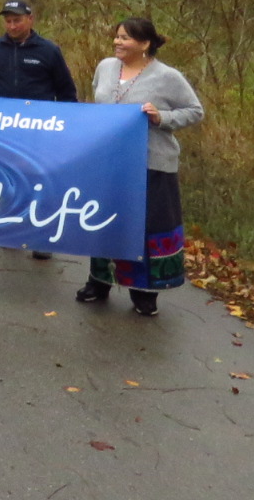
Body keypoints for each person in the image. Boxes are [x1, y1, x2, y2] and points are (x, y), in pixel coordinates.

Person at [78, 18, 203, 317]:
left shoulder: (167, 76)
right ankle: (99, 281)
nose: (118, 42)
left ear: (145, 44)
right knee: (105, 223)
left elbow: (195, 111)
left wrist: (163, 118)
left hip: (151, 164)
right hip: (110, 164)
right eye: (117, 37)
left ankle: (144, 291)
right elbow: (100, 105)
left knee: (145, 227)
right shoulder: (106, 67)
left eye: (126, 38)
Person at [0, 0, 78, 260]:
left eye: (17, 20)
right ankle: (9, 229)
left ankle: (42, 236)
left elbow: (66, 92)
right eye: (7, 20)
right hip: (3, 130)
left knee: (40, 181)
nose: (12, 25)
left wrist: (66, 126)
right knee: (8, 179)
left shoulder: (49, 51)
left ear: (30, 19)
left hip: (39, 131)